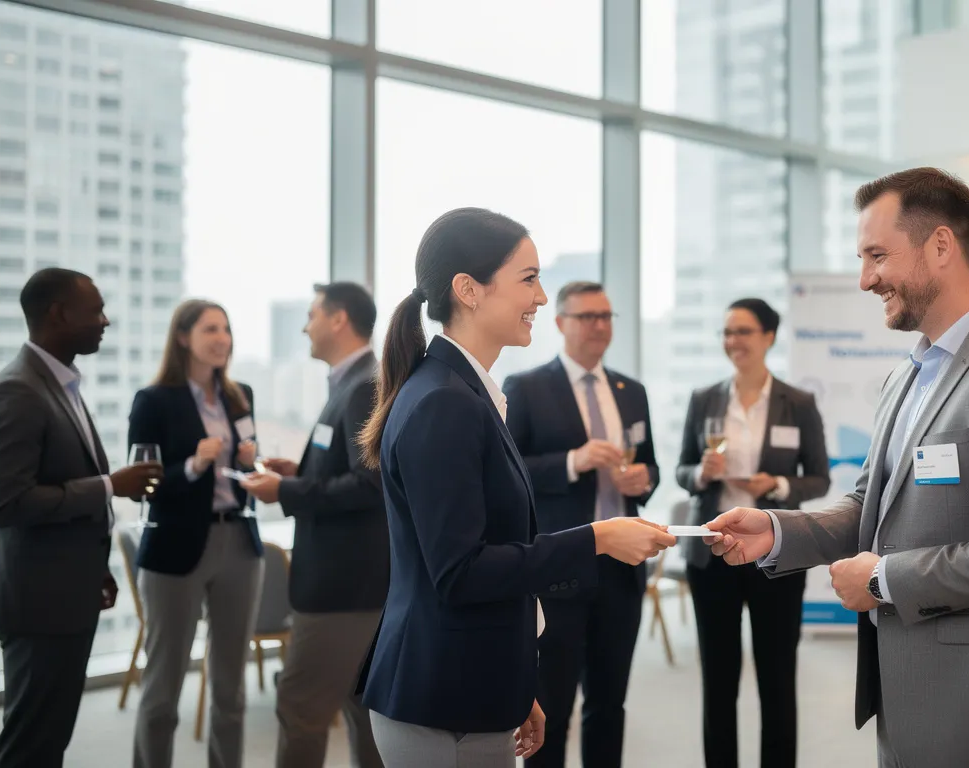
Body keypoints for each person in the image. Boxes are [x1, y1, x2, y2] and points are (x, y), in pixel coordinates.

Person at [706, 167, 969, 768]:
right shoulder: (907, 374)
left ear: (941, 246)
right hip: (910, 693)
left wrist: (887, 579)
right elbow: (871, 506)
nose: (865, 279)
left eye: (876, 256)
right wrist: (779, 531)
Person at [353, 207, 677, 768]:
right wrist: (596, 538)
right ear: (469, 290)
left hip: (472, 679)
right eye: (529, 279)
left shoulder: (463, 392)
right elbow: (461, 571)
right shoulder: (444, 403)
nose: (542, 298)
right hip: (441, 697)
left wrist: (514, 680)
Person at [0, 269, 162, 768]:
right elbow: (7, 503)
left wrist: (94, 568)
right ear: (58, 314)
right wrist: (112, 485)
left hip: (65, 590)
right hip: (38, 604)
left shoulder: (59, 383)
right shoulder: (17, 390)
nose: (105, 321)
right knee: (30, 744)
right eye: (96, 310)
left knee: (49, 739)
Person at [502, 281, 660, 768]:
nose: (599, 326)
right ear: (560, 323)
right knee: (552, 708)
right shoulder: (526, 387)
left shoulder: (631, 392)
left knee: (609, 705)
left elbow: (650, 466)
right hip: (560, 567)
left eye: (607, 316)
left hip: (622, 569)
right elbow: (510, 472)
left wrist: (641, 480)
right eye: (587, 316)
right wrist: (574, 460)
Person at [674, 298, 830, 768]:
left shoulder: (797, 403)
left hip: (777, 555)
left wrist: (777, 484)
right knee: (718, 682)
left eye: (743, 331)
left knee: (777, 678)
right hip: (714, 556)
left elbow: (818, 477)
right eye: (727, 332)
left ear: (768, 337)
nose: (733, 341)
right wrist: (701, 473)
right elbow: (681, 472)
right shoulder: (705, 399)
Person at [242, 282, 388, 768]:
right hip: (350, 584)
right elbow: (350, 470)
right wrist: (300, 473)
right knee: (361, 713)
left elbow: (369, 488)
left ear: (338, 319)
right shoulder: (351, 382)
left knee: (300, 709)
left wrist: (282, 491)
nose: (306, 326)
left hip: (341, 589)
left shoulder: (364, 384)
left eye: (312, 315)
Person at [127, 300, 264, 768]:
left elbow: (249, 458)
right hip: (175, 548)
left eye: (226, 328)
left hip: (239, 547)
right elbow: (139, 485)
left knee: (231, 687)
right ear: (183, 337)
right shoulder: (153, 400)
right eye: (210, 329)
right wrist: (193, 464)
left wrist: (249, 463)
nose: (222, 337)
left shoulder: (239, 394)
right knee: (163, 688)